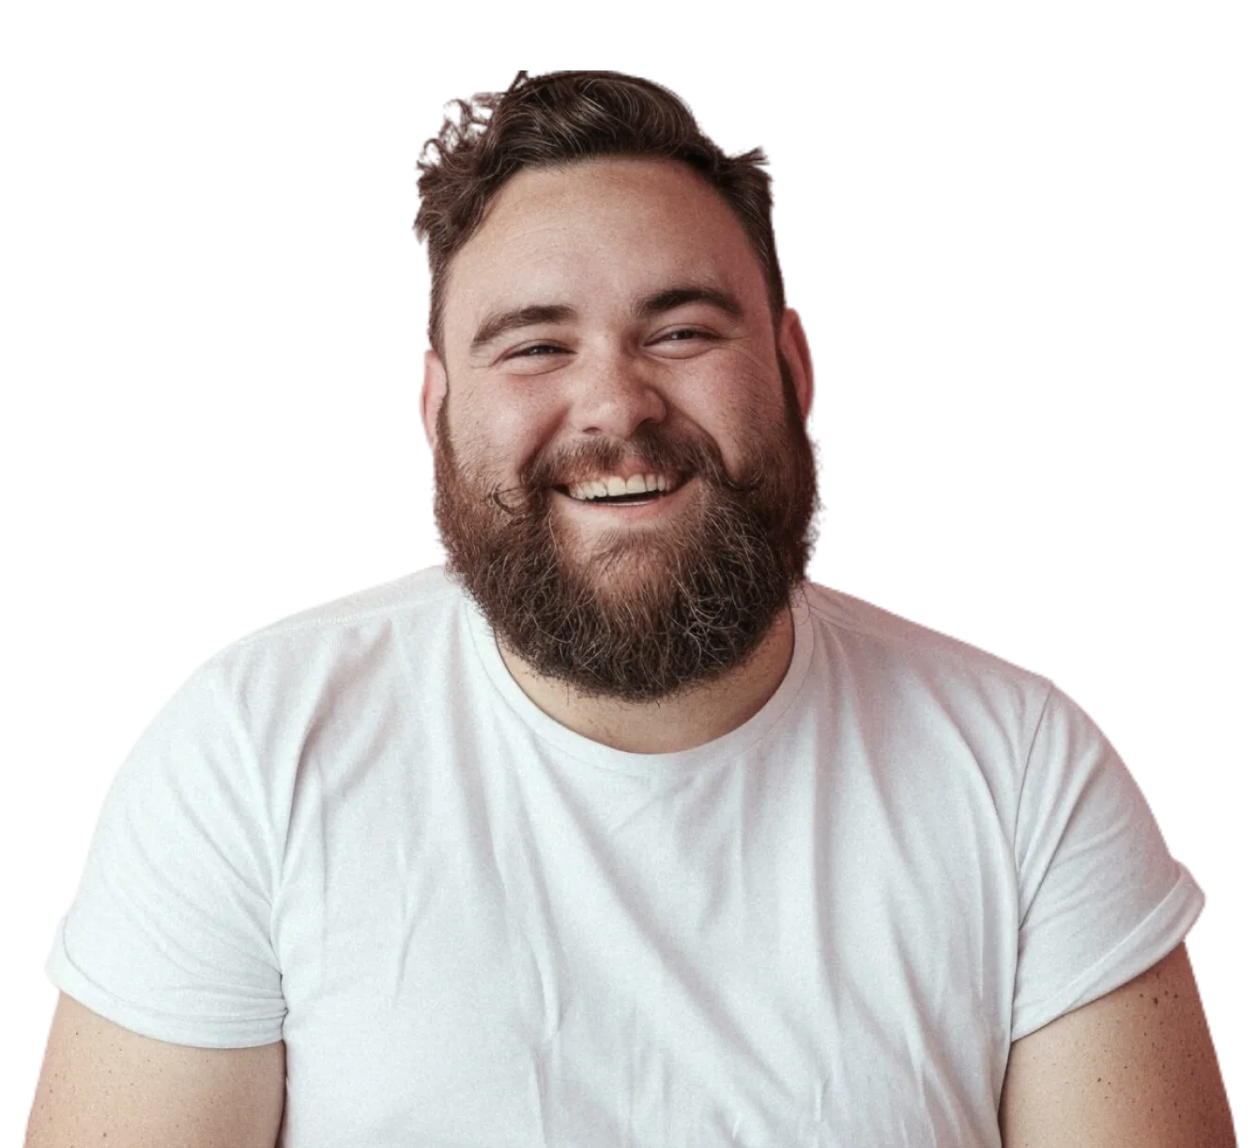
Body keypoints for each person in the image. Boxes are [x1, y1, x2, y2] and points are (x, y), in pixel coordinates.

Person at [25, 70, 1235, 1147]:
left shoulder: (1021, 765)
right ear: (434, 409)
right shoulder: (246, 748)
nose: (615, 404)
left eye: (680, 329)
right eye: (533, 346)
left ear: (794, 367)